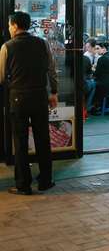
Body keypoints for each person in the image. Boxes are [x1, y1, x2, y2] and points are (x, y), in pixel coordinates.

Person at [0, 12, 58, 195]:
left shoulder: (7, 47)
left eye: (10, 25)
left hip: (18, 98)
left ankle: (23, 185)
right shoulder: (42, 43)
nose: (9, 28)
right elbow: (51, 69)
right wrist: (53, 92)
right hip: (40, 96)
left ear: (15, 25)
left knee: (21, 141)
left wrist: (14, 84)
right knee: (43, 139)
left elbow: (1, 76)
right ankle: (45, 181)